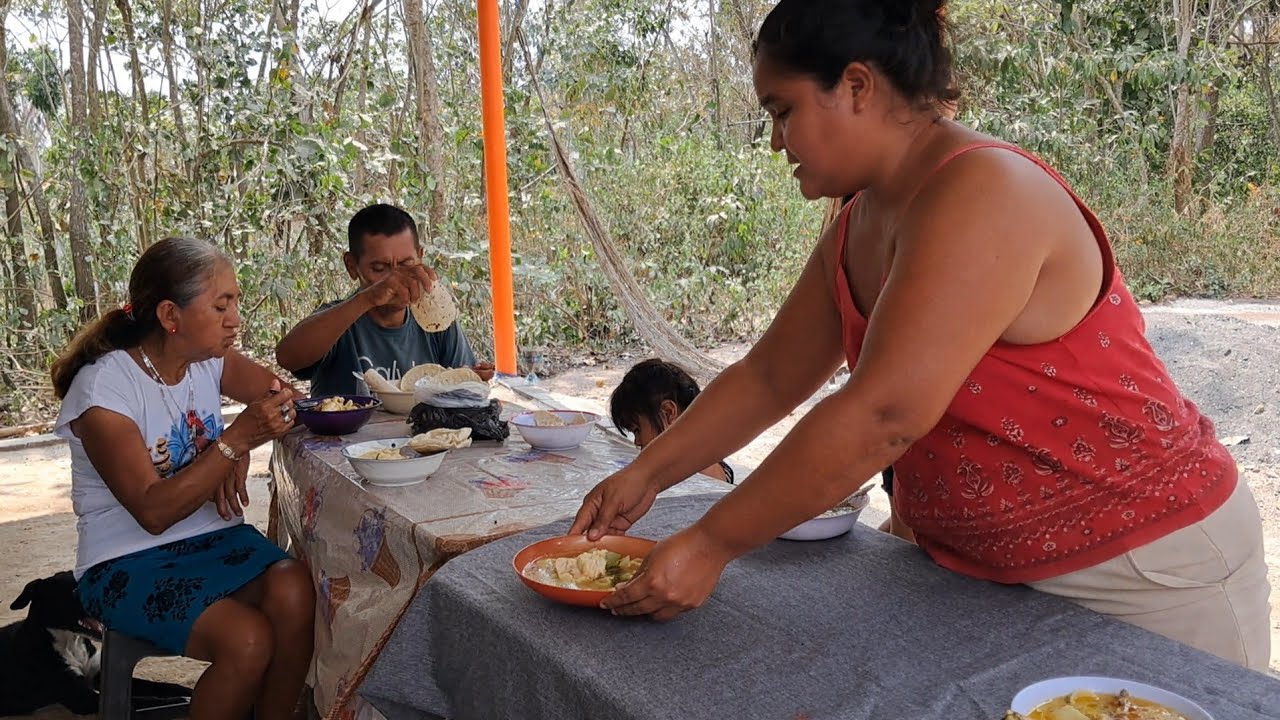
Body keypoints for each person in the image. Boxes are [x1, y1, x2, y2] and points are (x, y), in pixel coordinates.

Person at [568, 0, 1270, 671]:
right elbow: (770, 378)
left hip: (1148, 573)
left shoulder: (983, 190)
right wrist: (647, 474)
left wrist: (711, 544)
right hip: (983, 580)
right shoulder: (858, 222)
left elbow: (884, 413)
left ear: (856, 86)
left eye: (783, 112)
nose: (775, 141)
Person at [51, 237, 316, 719]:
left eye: (234, 301)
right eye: (221, 305)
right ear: (171, 316)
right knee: (248, 639)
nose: (235, 318)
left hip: (211, 539)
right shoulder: (104, 390)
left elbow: (283, 398)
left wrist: (235, 448)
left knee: (296, 588)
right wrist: (232, 443)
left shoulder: (209, 361)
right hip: (124, 560)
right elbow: (153, 511)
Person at [275, 203, 494, 395]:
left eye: (407, 265)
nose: (395, 279)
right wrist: (367, 299)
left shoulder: (437, 322)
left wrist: (471, 378)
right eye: (380, 269)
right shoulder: (336, 323)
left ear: (421, 257)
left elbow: (465, 391)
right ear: (352, 266)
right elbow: (287, 357)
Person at [609, 359, 734, 483]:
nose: (637, 442)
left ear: (668, 412)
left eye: (637, 430)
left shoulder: (696, 471)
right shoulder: (703, 455)